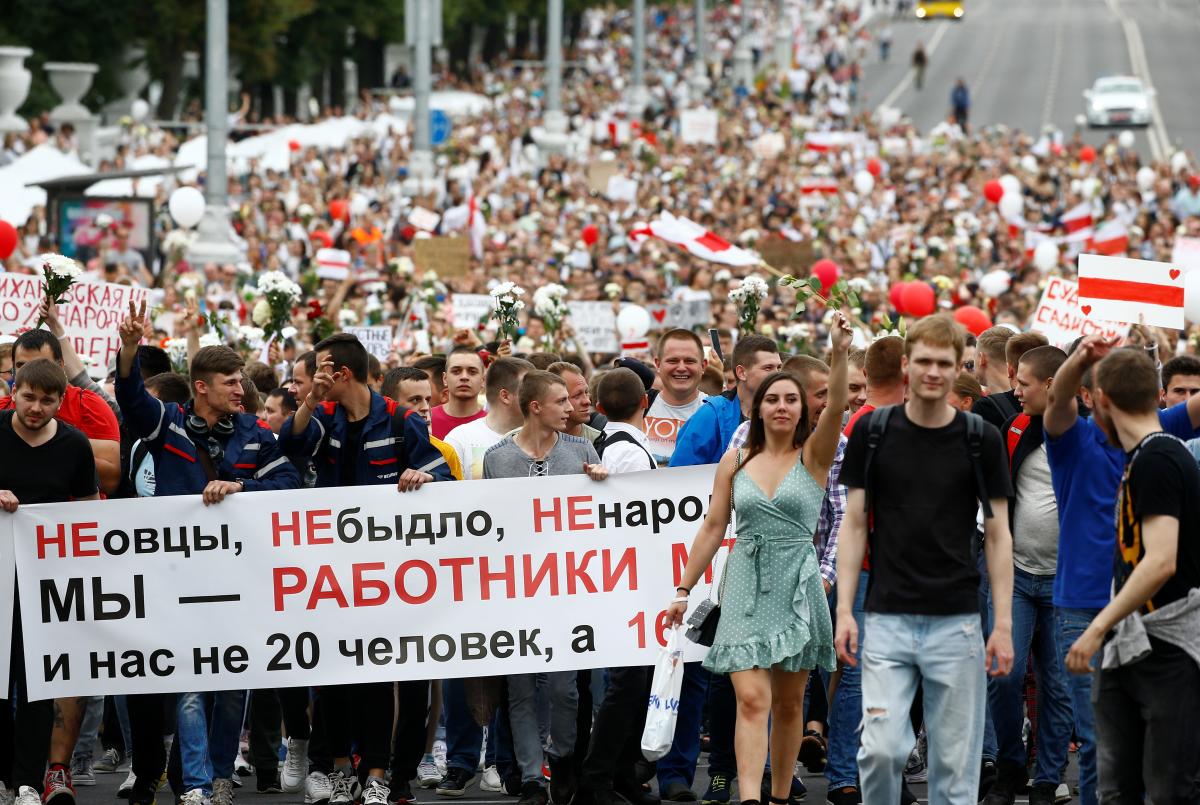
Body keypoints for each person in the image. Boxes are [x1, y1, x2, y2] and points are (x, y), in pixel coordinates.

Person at [115, 300, 300, 805]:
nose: (241, 390)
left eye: (242, 380)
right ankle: (195, 784)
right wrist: (129, 347)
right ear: (202, 386)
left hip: (240, 577)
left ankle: (220, 775)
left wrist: (240, 488)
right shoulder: (167, 423)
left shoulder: (254, 433)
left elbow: (288, 482)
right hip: (180, 578)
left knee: (234, 681)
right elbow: (130, 397)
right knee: (192, 681)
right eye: (231, 382)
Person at [669, 313, 851, 805]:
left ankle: (778, 794)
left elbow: (836, 406)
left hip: (798, 580)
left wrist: (838, 352)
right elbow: (711, 527)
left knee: (790, 704)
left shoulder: (816, 455)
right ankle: (750, 798)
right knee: (752, 698)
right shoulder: (735, 459)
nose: (783, 406)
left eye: (792, 399)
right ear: (758, 405)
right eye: (773, 398)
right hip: (744, 580)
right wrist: (683, 589)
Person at [835, 315, 1015, 804]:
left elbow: (998, 535)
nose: (933, 372)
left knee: (955, 771)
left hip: (956, 621)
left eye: (943, 363)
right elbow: (853, 525)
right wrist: (846, 609)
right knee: (882, 752)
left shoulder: (981, 438)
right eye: (923, 362)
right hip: (888, 616)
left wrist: (1001, 624)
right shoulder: (872, 431)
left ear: (959, 366)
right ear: (906, 366)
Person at [278, 333, 450, 805]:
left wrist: (426, 476)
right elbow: (291, 448)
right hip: (331, 571)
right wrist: (311, 400)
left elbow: (447, 480)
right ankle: (338, 771)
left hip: (387, 574)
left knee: (376, 672)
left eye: (320, 371)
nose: (313, 380)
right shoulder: (323, 416)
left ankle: (376, 772)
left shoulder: (398, 419)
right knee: (333, 672)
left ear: (342, 373)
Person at [1042, 335, 1200, 805]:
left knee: (1160, 772)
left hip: (1150, 622)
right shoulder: (1077, 438)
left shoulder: (1157, 449)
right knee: (1106, 754)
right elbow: (1056, 400)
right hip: (1087, 606)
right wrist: (1081, 360)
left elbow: (1161, 559)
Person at [658, 335, 782, 804]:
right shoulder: (719, 420)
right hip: (717, 560)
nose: (774, 374)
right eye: (766, 367)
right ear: (741, 373)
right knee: (708, 672)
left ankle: (769, 771)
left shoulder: (797, 426)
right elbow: (678, 493)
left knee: (772, 679)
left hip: (775, 567)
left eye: (779, 366)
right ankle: (700, 772)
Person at [482, 371, 609, 805]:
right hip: (516, 590)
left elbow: (604, 515)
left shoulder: (581, 450)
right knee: (518, 688)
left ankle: (563, 758)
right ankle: (534, 776)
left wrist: (603, 485)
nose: (571, 408)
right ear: (535, 406)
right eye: (561, 402)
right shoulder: (497, 459)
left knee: (564, 687)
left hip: (569, 589)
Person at [0, 359, 100, 805]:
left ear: (61, 402)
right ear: (13, 390)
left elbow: (88, 508)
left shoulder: (75, 445)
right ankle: (4, 778)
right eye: (28, 397)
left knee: (38, 683)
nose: (36, 408)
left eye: (47, 400)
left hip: (46, 583)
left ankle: (27, 781)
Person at [984, 346, 1073, 805]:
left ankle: (1049, 776)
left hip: (1066, 584)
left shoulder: (1086, 435)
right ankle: (1011, 766)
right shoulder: (1014, 429)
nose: (1015, 390)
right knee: (1003, 674)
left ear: (1053, 386)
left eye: (1024, 383)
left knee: (1057, 683)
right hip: (1016, 576)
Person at [443, 358, 534, 482]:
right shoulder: (460, 439)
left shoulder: (545, 437)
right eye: (530, 390)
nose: (538, 397)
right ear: (505, 396)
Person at [385, 366, 464, 480]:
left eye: (427, 400)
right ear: (391, 404)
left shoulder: (445, 451)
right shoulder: (373, 444)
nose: (425, 408)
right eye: (415, 400)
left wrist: (434, 478)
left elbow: (456, 494)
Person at [645, 329, 709, 466]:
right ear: (657, 364)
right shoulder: (638, 406)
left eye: (689, 361)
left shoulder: (717, 412)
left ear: (703, 365)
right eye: (673, 361)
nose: (681, 368)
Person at [429, 347, 486, 439]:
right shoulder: (426, 420)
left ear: (483, 380)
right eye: (456, 371)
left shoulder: (492, 425)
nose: (464, 377)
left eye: (472, 372)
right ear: (445, 378)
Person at [845, 349, 868, 416]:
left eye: (869, 389)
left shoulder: (897, 424)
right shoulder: (831, 425)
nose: (863, 397)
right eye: (854, 388)